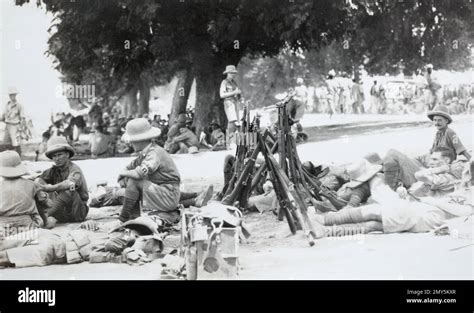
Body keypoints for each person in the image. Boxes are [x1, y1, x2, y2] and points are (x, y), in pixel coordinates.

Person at [312, 161, 473, 236]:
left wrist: (431, 201)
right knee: (375, 224)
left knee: (373, 213)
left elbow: (462, 211)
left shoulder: (468, 198)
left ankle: (326, 222)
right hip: (426, 214)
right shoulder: (462, 188)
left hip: (428, 214)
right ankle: (327, 231)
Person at [382, 105, 470, 191]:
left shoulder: (450, 133)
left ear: (446, 121)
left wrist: (471, 160)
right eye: (435, 120)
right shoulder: (438, 133)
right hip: (433, 161)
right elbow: (431, 151)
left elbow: (462, 150)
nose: (436, 123)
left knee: (392, 154)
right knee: (406, 159)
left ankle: (393, 187)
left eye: (440, 120)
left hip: (442, 163)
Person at [118, 118, 181, 223]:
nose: (130, 143)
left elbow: (138, 175)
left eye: (133, 140)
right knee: (129, 180)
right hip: (164, 192)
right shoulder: (145, 152)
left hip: (169, 195)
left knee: (134, 181)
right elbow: (130, 166)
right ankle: (133, 217)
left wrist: (123, 173)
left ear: (140, 140)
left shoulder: (154, 154)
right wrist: (124, 176)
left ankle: (124, 218)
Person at [34, 136, 89, 227]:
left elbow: (71, 184)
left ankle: (47, 215)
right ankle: (45, 215)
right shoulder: (54, 170)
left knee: (69, 189)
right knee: (38, 181)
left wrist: (51, 188)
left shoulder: (75, 169)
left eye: (59, 155)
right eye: (54, 156)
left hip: (77, 211)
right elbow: (39, 179)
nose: (57, 158)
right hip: (62, 210)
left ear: (67, 154)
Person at [0, 151, 50, 235]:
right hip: (29, 227)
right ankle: (46, 224)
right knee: (37, 199)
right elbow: (49, 204)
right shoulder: (31, 184)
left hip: (3, 229)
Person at [1, 87, 25, 155]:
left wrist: (21, 128)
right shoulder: (7, 105)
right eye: (11, 95)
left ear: (15, 95)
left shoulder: (19, 106)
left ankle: (18, 160)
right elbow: (3, 116)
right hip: (7, 126)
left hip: (15, 126)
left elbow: (22, 118)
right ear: (9, 96)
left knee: (16, 144)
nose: (12, 96)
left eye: (13, 95)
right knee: (5, 144)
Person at [220, 65, 242, 135]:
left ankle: (234, 141)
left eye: (234, 73)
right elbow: (222, 95)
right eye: (232, 73)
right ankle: (229, 140)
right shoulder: (224, 82)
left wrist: (238, 94)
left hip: (235, 102)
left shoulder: (234, 82)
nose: (233, 74)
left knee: (237, 122)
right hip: (229, 103)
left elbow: (237, 93)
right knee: (232, 121)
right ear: (228, 73)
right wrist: (234, 92)